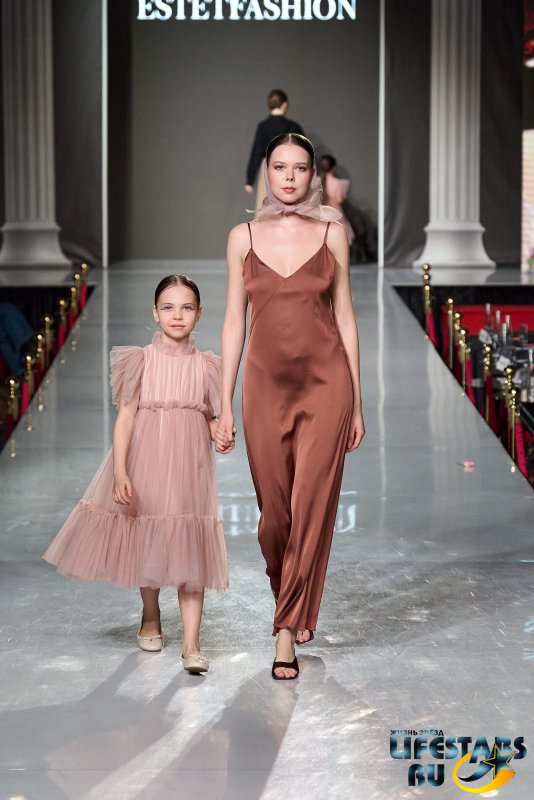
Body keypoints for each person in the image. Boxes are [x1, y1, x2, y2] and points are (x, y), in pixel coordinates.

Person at [216, 134, 365, 680]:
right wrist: (223, 402)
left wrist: (357, 400)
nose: (289, 177)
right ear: (266, 172)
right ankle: (291, 595)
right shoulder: (242, 238)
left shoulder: (332, 234)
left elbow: (345, 316)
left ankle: (286, 631)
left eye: (299, 168)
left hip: (327, 386)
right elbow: (234, 321)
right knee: (274, 516)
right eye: (280, 167)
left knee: (311, 505)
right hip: (263, 388)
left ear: (312, 176)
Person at [43, 275, 229, 674]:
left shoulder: (207, 366)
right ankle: (150, 614)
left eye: (186, 308)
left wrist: (218, 431)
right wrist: (121, 471)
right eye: (168, 307)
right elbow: (126, 418)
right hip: (149, 462)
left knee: (190, 543)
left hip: (190, 470)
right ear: (154, 313)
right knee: (151, 537)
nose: (177, 315)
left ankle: (192, 644)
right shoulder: (141, 360)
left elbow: (207, 415)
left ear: (199, 314)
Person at [245, 89, 304, 210]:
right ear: (285, 104)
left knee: (266, 205)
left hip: (268, 166)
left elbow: (256, 152)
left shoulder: (263, 127)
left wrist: (249, 180)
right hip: (289, 167)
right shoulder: (293, 126)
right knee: (288, 205)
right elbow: (304, 152)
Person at [318, 154, 355, 246]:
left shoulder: (316, 181)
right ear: (333, 168)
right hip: (335, 213)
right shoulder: (337, 182)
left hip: (319, 214)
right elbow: (339, 200)